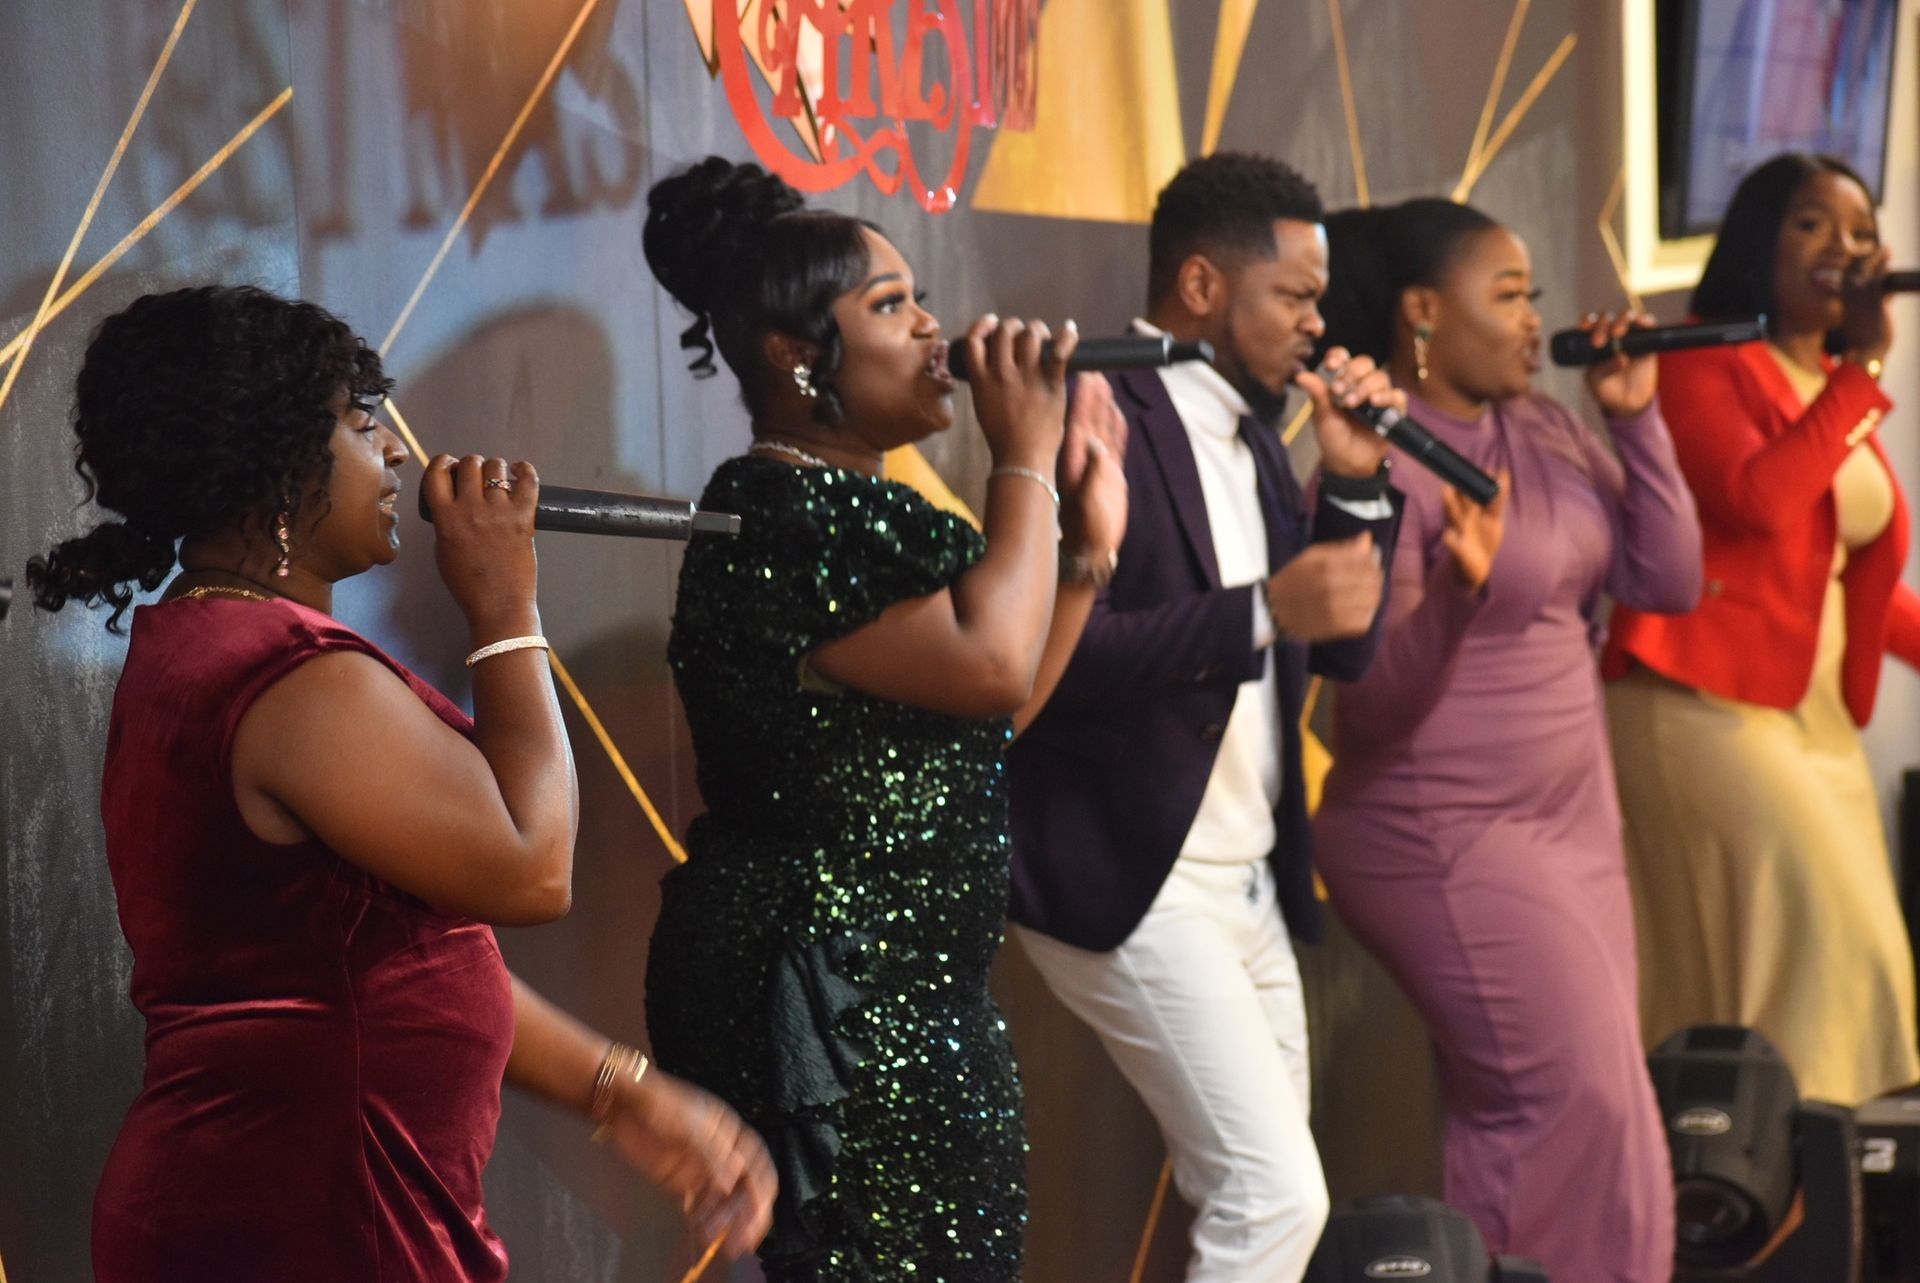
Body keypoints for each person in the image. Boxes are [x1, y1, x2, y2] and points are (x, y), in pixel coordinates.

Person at [25, 285, 774, 1282]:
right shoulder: (289, 679)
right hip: (315, 1217)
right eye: (360, 421)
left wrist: (621, 1090)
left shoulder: (216, 643)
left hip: (275, 1196)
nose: (396, 454)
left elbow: (396, 962)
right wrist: (505, 604)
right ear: (276, 457)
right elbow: (533, 865)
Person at [639, 157, 1128, 1281]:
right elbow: (994, 663)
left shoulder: (867, 507)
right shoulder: (776, 512)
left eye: (920, 298)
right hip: (837, 997)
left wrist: (1085, 554)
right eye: (891, 304)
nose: (930, 328)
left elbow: (990, 711)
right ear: (795, 350)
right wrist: (1022, 455)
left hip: (911, 987)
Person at [1006, 152, 1405, 1283]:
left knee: (1270, 1207)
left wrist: (1355, 482)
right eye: (1297, 296)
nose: (1319, 325)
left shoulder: (1257, 436)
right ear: (1200, 285)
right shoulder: (1099, 408)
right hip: (1135, 872)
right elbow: (1055, 661)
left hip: (1247, 875)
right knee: (1274, 1197)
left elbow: (1344, 643)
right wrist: (1264, 609)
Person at [1308, 197, 1700, 1281]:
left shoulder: (1547, 429)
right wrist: (1459, 592)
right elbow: (1367, 706)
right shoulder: (1382, 465)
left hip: (1573, 821)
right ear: (1423, 312)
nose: (1536, 319)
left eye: (1533, 295)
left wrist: (1636, 420)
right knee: (1574, 1104)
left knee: (1608, 1109)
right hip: (1441, 829)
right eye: (1511, 294)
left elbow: (1669, 577)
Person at [1603, 152, 1920, 1107]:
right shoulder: (1698, 358)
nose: (1843, 248)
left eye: (1861, 232)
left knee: (1854, 970)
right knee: (1826, 947)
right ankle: (1782, 1167)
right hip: (1703, 706)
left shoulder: (1823, 378)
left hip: (1810, 721)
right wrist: (1865, 368)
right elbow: (1759, 501)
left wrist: (1848, 374)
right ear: (1757, 238)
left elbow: (1842, 574)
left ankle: (1819, 1170)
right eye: (1812, 224)